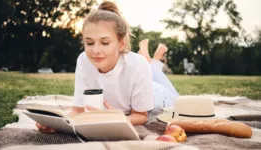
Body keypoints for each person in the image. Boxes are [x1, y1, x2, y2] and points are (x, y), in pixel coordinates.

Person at [36, 1, 179, 133]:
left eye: (104, 43)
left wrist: (115, 119)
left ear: (121, 44)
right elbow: (78, 112)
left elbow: (141, 116)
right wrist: (58, 124)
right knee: (146, 66)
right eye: (89, 43)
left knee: (168, 89)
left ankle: (153, 59)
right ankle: (152, 59)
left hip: (158, 95)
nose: (96, 50)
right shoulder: (84, 60)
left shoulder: (137, 65)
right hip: (140, 79)